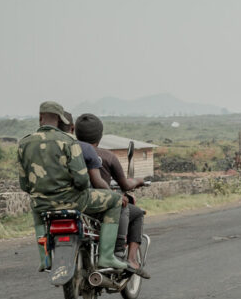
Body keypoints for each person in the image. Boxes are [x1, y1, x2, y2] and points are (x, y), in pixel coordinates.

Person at [17, 101, 128, 272]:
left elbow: (24, 185)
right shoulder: (68, 141)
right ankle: (106, 256)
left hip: (42, 204)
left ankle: (44, 259)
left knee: (36, 209)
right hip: (74, 202)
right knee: (115, 201)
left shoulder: (24, 144)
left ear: (40, 117)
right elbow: (82, 181)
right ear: (60, 119)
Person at [75, 113, 150, 279]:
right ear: (100, 137)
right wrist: (139, 180)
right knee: (134, 211)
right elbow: (125, 185)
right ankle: (126, 257)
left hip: (75, 204)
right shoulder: (108, 156)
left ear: (75, 133)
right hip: (98, 205)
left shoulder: (68, 152)